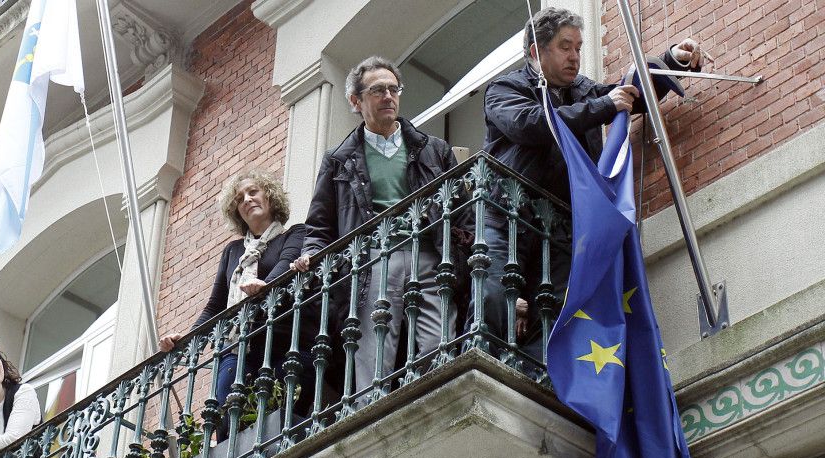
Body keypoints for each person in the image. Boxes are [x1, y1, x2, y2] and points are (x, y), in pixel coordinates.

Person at [477, 6, 704, 361]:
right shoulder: (505, 88)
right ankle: (488, 365)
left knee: (558, 307)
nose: (575, 57)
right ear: (538, 52)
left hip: (564, 225)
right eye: (565, 47)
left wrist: (671, 61)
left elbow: (628, 95)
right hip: (507, 217)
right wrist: (601, 107)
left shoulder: (583, 90)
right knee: (491, 294)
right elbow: (530, 124)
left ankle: (542, 371)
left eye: (579, 47)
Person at [292, 56, 459, 396]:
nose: (388, 96)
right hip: (373, 259)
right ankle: (371, 410)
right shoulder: (338, 159)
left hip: (429, 253)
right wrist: (311, 252)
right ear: (356, 101)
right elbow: (320, 223)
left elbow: (458, 209)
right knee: (373, 353)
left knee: (437, 343)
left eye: (393, 88)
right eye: (378, 90)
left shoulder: (433, 149)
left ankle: (436, 401)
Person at [159, 171, 305, 440]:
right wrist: (187, 337)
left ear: (270, 197)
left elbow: (286, 264)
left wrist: (264, 286)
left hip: (279, 340)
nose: (247, 200)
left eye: (253, 192)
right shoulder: (233, 251)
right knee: (225, 415)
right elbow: (215, 304)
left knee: (281, 410)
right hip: (236, 346)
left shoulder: (294, 234)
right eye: (240, 199)